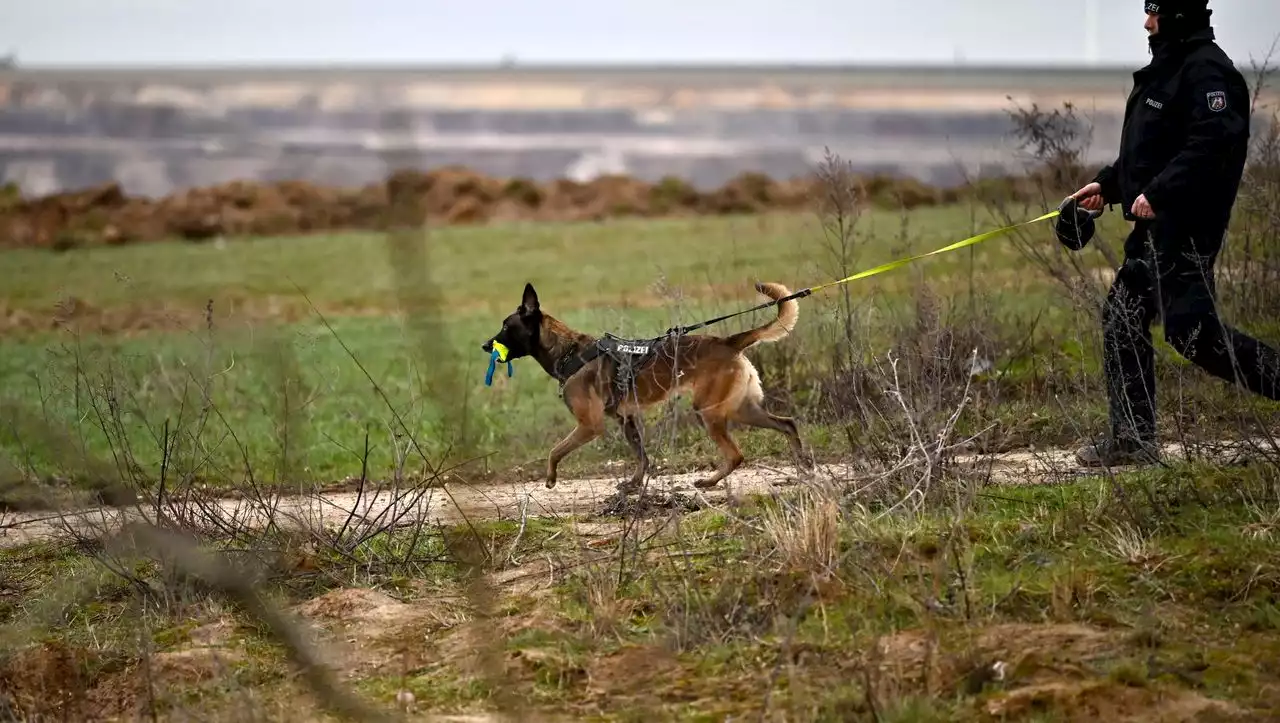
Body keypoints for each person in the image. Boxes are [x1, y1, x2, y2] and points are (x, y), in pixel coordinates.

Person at [1067, 0, 1280, 467]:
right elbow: (1149, 154)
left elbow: (1211, 147)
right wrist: (1107, 184)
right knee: (1122, 316)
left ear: (1179, 16)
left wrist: (1161, 194)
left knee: (1193, 335)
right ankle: (1133, 440)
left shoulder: (1209, 74)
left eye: (1155, 13)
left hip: (1186, 228)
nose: (1147, 22)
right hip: (1153, 228)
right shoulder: (1167, 70)